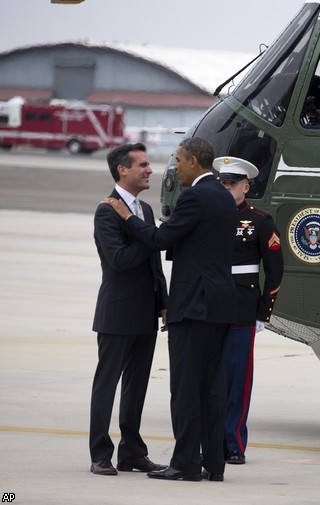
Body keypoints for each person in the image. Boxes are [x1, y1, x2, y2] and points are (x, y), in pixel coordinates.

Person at [102, 137, 239, 482]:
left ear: (194, 161)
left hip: (195, 305)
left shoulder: (195, 195)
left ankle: (185, 464)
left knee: (186, 388)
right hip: (220, 305)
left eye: (178, 160)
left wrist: (126, 217)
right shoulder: (224, 195)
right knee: (212, 387)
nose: (174, 167)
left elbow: (162, 239)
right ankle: (214, 463)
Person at [89, 142, 168, 476]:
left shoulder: (144, 211)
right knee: (107, 384)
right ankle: (100, 454)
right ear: (123, 169)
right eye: (143, 165)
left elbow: (154, 264)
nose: (149, 170)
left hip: (145, 312)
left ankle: (132, 451)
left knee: (137, 386)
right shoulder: (108, 210)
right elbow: (119, 261)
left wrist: (163, 303)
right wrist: (146, 236)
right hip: (118, 312)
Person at [213, 156, 284, 466]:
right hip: (210, 305)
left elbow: (275, 271)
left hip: (243, 307)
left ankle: (233, 443)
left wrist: (262, 313)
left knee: (238, 380)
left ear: (246, 186)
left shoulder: (260, 220)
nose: (226, 189)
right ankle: (209, 440)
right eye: (222, 184)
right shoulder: (208, 217)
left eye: (232, 185)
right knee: (209, 379)